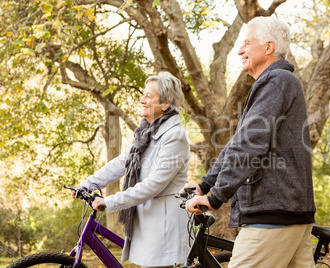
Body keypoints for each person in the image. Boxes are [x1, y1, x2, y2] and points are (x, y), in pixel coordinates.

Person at [184, 16, 316, 267]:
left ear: (268, 47)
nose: (239, 50)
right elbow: (238, 142)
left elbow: (249, 143)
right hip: (288, 215)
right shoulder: (275, 84)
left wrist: (215, 198)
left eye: (246, 43)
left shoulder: (276, 81)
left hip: (272, 217)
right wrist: (205, 185)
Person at [77, 72, 190, 268]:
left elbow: (154, 184)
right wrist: (87, 184)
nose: (141, 100)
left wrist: (111, 201)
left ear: (165, 104)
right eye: (143, 94)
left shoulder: (175, 136)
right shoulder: (145, 133)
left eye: (148, 96)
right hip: (148, 222)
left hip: (164, 228)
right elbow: (123, 162)